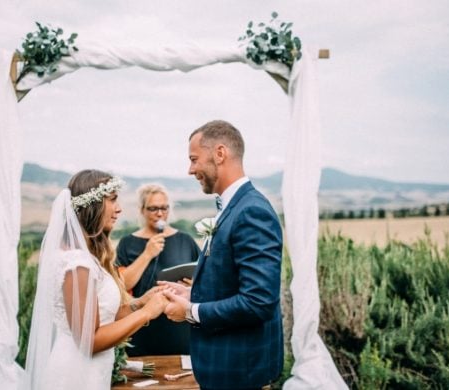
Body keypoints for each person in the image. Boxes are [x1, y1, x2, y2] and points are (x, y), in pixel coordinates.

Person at [162, 120, 284, 390]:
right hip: (225, 370)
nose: (190, 169)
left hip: (240, 373)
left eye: (194, 159)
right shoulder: (233, 207)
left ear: (219, 154)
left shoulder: (252, 211)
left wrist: (190, 311)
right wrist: (194, 293)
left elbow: (258, 301)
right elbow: (234, 282)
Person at [21, 169, 168, 390]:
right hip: (76, 375)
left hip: (92, 372)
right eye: (112, 200)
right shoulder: (76, 263)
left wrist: (141, 302)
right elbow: (90, 341)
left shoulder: (85, 257)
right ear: (93, 205)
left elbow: (105, 316)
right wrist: (147, 314)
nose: (118, 209)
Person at [116, 183, 200, 356]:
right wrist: (147, 254)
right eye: (153, 208)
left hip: (179, 327)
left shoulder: (185, 240)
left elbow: (203, 278)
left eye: (164, 208)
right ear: (142, 210)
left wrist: (194, 283)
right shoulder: (127, 243)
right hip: (142, 326)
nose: (160, 213)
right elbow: (122, 285)